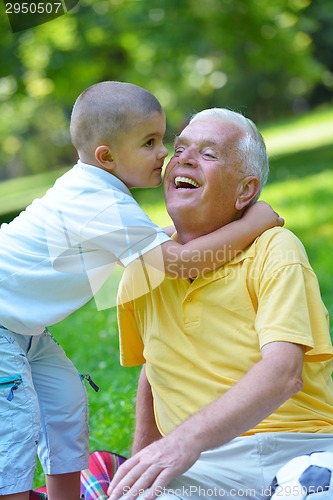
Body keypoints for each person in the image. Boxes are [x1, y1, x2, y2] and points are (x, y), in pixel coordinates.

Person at [0, 83, 281, 500]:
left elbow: (160, 246)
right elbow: (178, 261)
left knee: (66, 401)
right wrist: (254, 223)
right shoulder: (99, 202)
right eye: (150, 143)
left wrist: (215, 230)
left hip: (25, 331)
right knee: (16, 424)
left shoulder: (101, 195)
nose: (164, 153)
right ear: (107, 156)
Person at [108, 108, 333, 500]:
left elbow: (284, 373)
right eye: (179, 149)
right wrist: (140, 466)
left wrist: (182, 443)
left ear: (246, 191)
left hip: (293, 449)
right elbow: (155, 370)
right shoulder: (143, 267)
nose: (185, 159)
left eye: (209, 154)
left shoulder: (274, 248)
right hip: (199, 470)